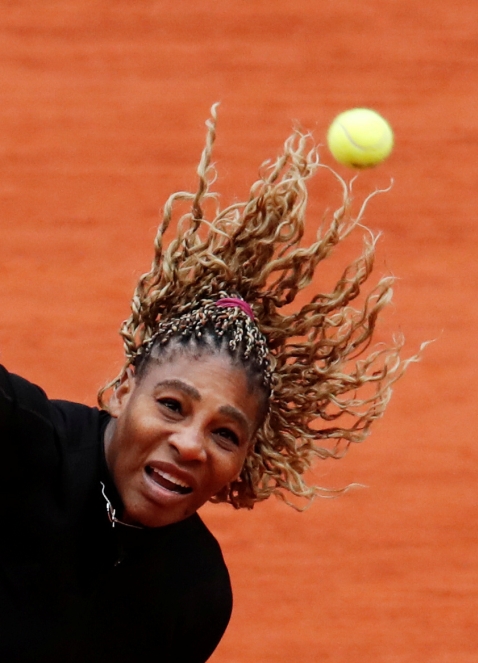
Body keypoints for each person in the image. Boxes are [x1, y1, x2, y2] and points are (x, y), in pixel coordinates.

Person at [0, 105, 417, 662]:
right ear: (125, 389)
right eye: (172, 405)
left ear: (246, 457)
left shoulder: (192, 593)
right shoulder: (17, 438)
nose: (191, 445)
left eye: (225, 435)